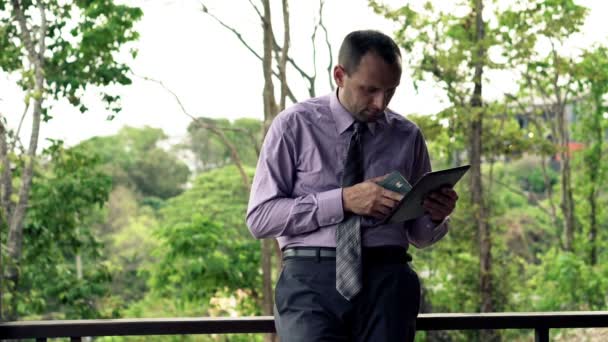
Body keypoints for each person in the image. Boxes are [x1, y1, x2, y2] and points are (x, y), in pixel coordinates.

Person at [246, 29, 459, 342]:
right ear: (339, 75)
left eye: (390, 91)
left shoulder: (407, 136)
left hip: (389, 282)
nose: (380, 102)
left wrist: (436, 216)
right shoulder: (294, 126)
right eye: (369, 89)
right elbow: (260, 218)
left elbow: (420, 236)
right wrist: (344, 200)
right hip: (310, 283)